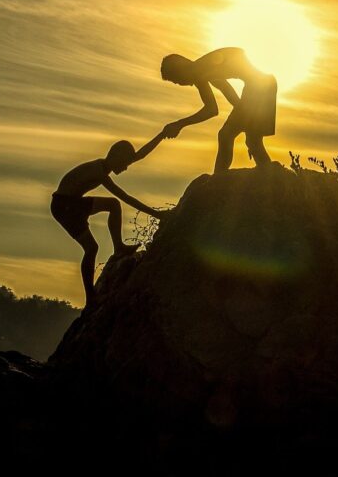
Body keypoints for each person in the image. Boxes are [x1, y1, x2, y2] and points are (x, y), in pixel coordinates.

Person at [51, 133, 165, 306]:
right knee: (92, 247)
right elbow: (126, 197)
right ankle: (91, 297)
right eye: (125, 163)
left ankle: (118, 248)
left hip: (71, 203)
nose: (126, 168)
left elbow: (139, 155)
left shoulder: (106, 167)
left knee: (112, 208)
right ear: (116, 157)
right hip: (65, 206)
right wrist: (157, 214)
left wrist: (162, 135)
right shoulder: (98, 172)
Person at [160, 46, 278, 172]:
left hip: (259, 88)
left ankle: (219, 179)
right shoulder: (201, 70)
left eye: (177, 80)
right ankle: (267, 176)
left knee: (227, 135)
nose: (181, 84)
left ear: (180, 70)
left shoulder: (200, 71)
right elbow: (227, 92)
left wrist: (180, 124)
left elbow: (211, 109)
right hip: (263, 86)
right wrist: (245, 121)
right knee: (252, 141)